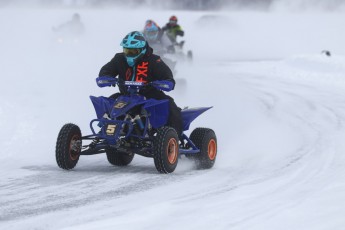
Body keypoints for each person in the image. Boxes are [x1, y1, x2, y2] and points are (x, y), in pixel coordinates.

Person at [98, 31, 183, 138]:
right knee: (108, 104)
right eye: (126, 50)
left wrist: (164, 83)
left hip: (151, 96)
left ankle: (175, 138)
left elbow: (168, 77)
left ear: (142, 50)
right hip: (126, 96)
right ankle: (106, 132)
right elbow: (106, 71)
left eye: (133, 51)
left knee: (169, 104)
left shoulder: (153, 60)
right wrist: (106, 78)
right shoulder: (119, 59)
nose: (129, 54)